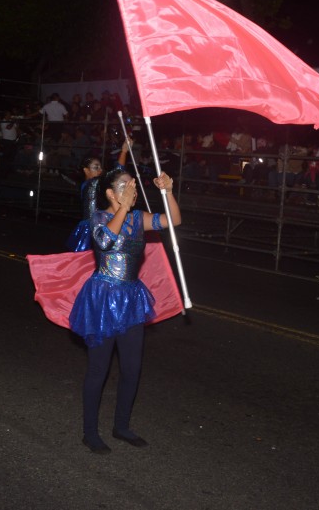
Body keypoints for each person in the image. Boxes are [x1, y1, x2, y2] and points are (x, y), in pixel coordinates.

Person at [68, 167, 181, 453]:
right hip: (103, 299)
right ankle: (90, 432)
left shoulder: (137, 218)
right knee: (98, 370)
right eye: (124, 186)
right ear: (109, 193)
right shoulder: (99, 216)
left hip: (131, 299)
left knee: (132, 369)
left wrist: (167, 191)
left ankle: (121, 426)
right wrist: (123, 206)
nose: (131, 189)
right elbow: (105, 240)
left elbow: (174, 220)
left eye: (132, 185)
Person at [65, 140, 130, 251]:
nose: (100, 170)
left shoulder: (93, 185)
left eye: (100, 167)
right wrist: (124, 151)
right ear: (86, 170)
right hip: (91, 228)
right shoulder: (92, 183)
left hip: (98, 224)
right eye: (96, 167)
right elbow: (117, 173)